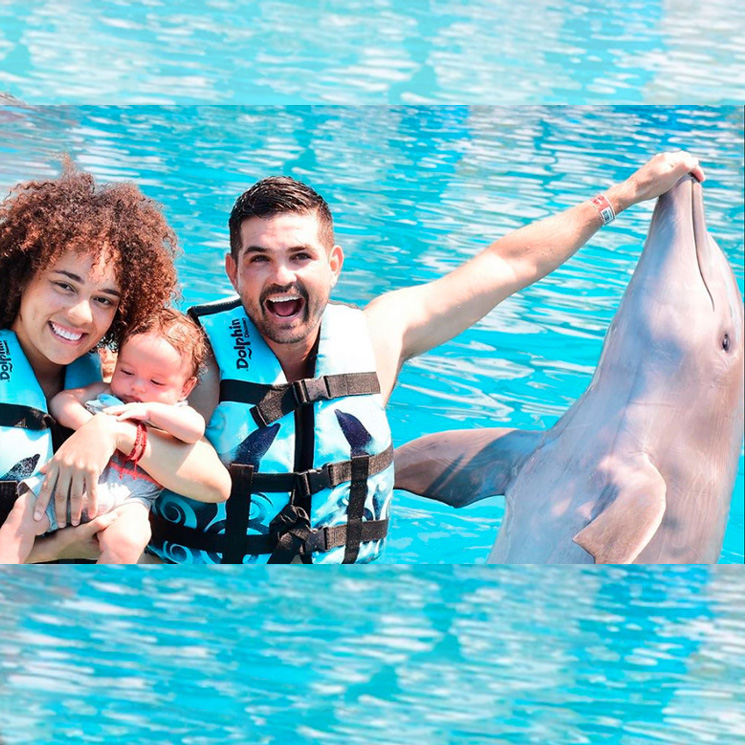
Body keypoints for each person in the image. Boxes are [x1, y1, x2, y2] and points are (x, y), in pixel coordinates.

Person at [146, 151, 706, 565]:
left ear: (335, 263)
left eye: (300, 256)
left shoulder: (374, 338)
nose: (281, 277)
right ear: (231, 270)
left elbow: (506, 264)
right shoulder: (192, 355)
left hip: (339, 627)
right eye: (259, 259)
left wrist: (626, 193)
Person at [0, 165, 231, 562]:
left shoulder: (114, 378)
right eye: (64, 285)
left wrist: (111, 432)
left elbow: (214, 485)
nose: (82, 315)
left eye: (104, 299)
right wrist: (58, 549)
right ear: (22, 277)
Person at [0, 308, 213, 564]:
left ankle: (102, 598)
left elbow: (195, 430)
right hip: (68, 488)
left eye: (156, 382)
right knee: (22, 515)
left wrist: (148, 412)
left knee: (128, 541)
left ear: (185, 388)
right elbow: (61, 401)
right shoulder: (104, 393)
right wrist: (93, 427)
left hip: (130, 502)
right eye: (127, 372)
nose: (137, 387)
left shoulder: (177, 413)